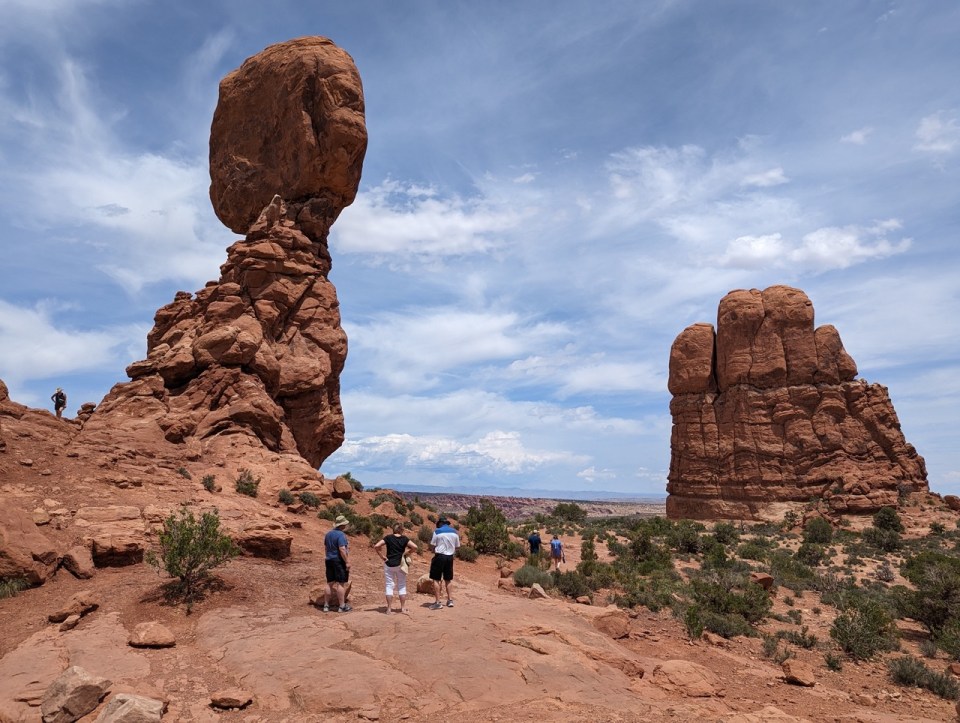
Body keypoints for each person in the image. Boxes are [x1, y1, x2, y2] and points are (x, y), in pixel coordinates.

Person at [374, 522, 419, 614]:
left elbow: (376, 546)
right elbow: (415, 547)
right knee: (401, 585)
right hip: (400, 564)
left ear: (393, 529)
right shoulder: (404, 539)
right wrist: (408, 552)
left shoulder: (388, 538)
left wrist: (381, 556)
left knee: (389, 585)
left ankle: (389, 609)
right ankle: (402, 608)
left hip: (389, 564)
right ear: (401, 530)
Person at [428, 516, 460, 610]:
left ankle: (438, 602)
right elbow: (457, 546)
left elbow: (432, 545)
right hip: (450, 557)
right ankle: (450, 600)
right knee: (448, 579)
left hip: (439, 556)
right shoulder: (454, 532)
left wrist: (436, 550)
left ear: (440, 523)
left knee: (436, 579)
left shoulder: (437, 531)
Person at [323, 515, 352, 612]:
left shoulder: (328, 534)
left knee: (329, 583)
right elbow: (342, 549)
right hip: (339, 561)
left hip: (329, 559)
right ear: (343, 525)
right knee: (341, 583)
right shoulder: (341, 535)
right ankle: (342, 606)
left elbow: (326, 548)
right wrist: (347, 561)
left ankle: (326, 605)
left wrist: (328, 556)